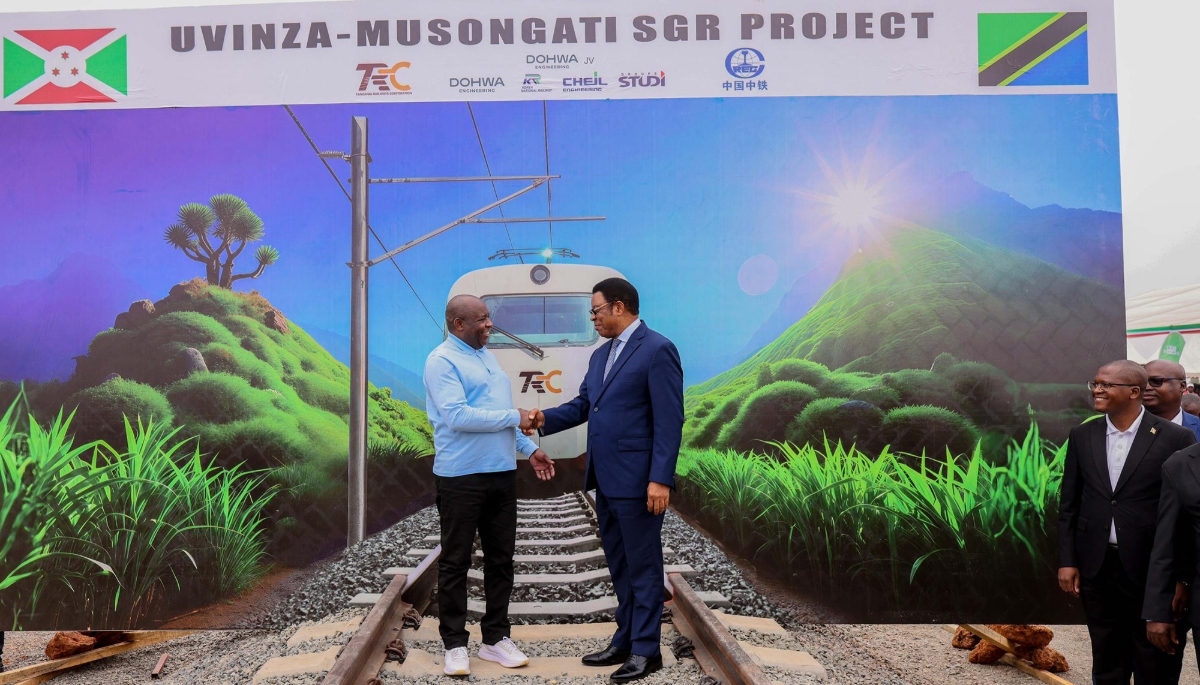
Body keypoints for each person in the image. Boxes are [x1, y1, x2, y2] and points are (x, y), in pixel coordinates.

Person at [530, 277, 683, 682]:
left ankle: (647, 651)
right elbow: (585, 405)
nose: (593, 318)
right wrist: (543, 419)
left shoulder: (658, 349)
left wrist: (660, 479)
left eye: (595, 310)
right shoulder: (600, 356)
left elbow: (670, 420)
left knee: (643, 567)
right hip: (606, 479)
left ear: (618, 306)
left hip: (639, 481)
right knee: (620, 564)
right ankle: (625, 639)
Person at [424, 294, 557, 677]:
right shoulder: (441, 361)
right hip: (461, 478)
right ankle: (454, 645)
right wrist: (516, 415)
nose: (489, 325)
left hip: (501, 475)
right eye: (481, 319)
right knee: (456, 562)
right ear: (458, 324)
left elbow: (499, 420)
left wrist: (529, 450)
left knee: (501, 560)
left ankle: (495, 639)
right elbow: (458, 416)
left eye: (488, 317)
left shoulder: (488, 357)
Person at [1058, 360, 1196, 684]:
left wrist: (1182, 578)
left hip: (1152, 570)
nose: (1097, 390)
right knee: (1107, 659)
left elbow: (1188, 516)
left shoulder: (1176, 438)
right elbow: (1069, 504)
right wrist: (1067, 560)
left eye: (1106, 385)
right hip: (1098, 567)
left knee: (1154, 662)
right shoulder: (1082, 434)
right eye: (1095, 384)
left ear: (1134, 392)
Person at [1145, 360, 1200, 441]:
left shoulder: (1197, 425)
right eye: (1142, 381)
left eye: (1156, 381)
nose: (1146, 387)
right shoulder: (1129, 427)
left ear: (1182, 386)